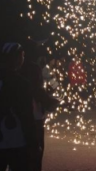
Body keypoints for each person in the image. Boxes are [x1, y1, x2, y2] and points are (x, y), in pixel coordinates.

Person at [20, 40, 60, 171]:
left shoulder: (13, 68)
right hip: (34, 116)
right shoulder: (36, 68)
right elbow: (41, 89)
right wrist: (51, 100)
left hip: (19, 116)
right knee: (35, 150)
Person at [0, 42, 39, 171]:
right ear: (16, 59)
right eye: (22, 56)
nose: (23, 59)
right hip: (15, 139)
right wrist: (33, 142)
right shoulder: (21, 83)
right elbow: (26, 116)